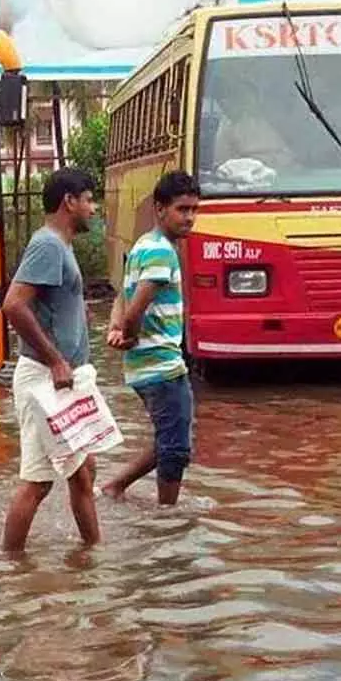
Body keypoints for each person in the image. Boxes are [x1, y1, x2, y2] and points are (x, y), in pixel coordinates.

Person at [2, 168, 101, 552]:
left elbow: (51, 302)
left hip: (62, 379)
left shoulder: (61, 245)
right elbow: (14, 305)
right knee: (39, 482)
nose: (93, 208)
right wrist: (57, 360)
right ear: (69, 202)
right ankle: (14, 564)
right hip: (46, 378)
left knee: (84, 471)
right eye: (89, 200)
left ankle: (91, 555)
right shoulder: (48, 245)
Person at [103, 171, 200, 505]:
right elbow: (136, 307)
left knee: (171, 437)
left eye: (194, 210)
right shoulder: (161, 252)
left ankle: (115, 487)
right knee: (176, 448)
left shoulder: (142, 246)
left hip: (147, 366)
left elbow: (122, 295)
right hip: (161, 364)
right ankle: (167, 516)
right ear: (160, 209)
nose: (189, 217)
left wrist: (115, 330)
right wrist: (127, 333)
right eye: (182, 209)